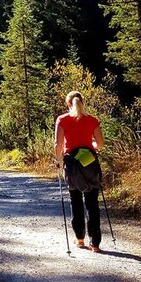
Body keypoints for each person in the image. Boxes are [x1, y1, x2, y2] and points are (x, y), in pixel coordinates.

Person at [54, 90, 105, 252]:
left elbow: (58, 145)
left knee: (75, 201)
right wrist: (92, 146)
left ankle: (80, 239)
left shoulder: (62, 120)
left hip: (72, 165)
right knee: (92, 202)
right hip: (90, 163)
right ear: (82, 102)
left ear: (68, 104)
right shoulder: (93, 120)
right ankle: (95, 243)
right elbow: (100, 144)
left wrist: (58, 160)